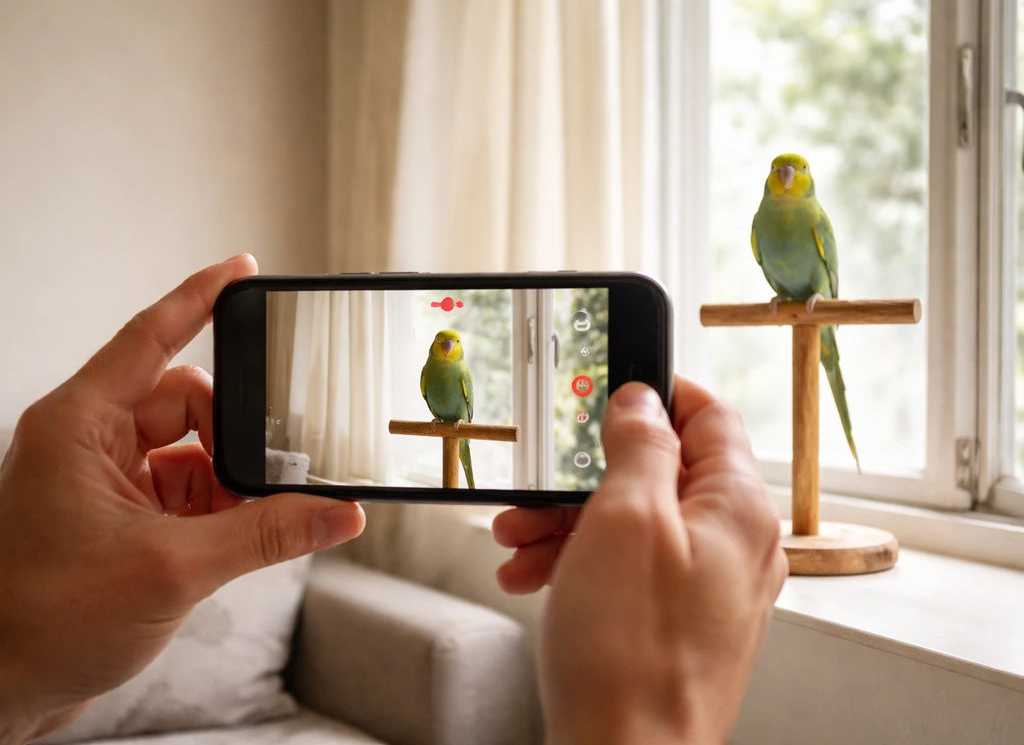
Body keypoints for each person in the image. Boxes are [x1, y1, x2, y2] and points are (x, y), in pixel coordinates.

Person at [0, 256, 786, 745]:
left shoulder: (462, 375)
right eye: (443, 344)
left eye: (449, 345)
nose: (446, 352)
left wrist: (22, 684)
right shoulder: (427, 371)